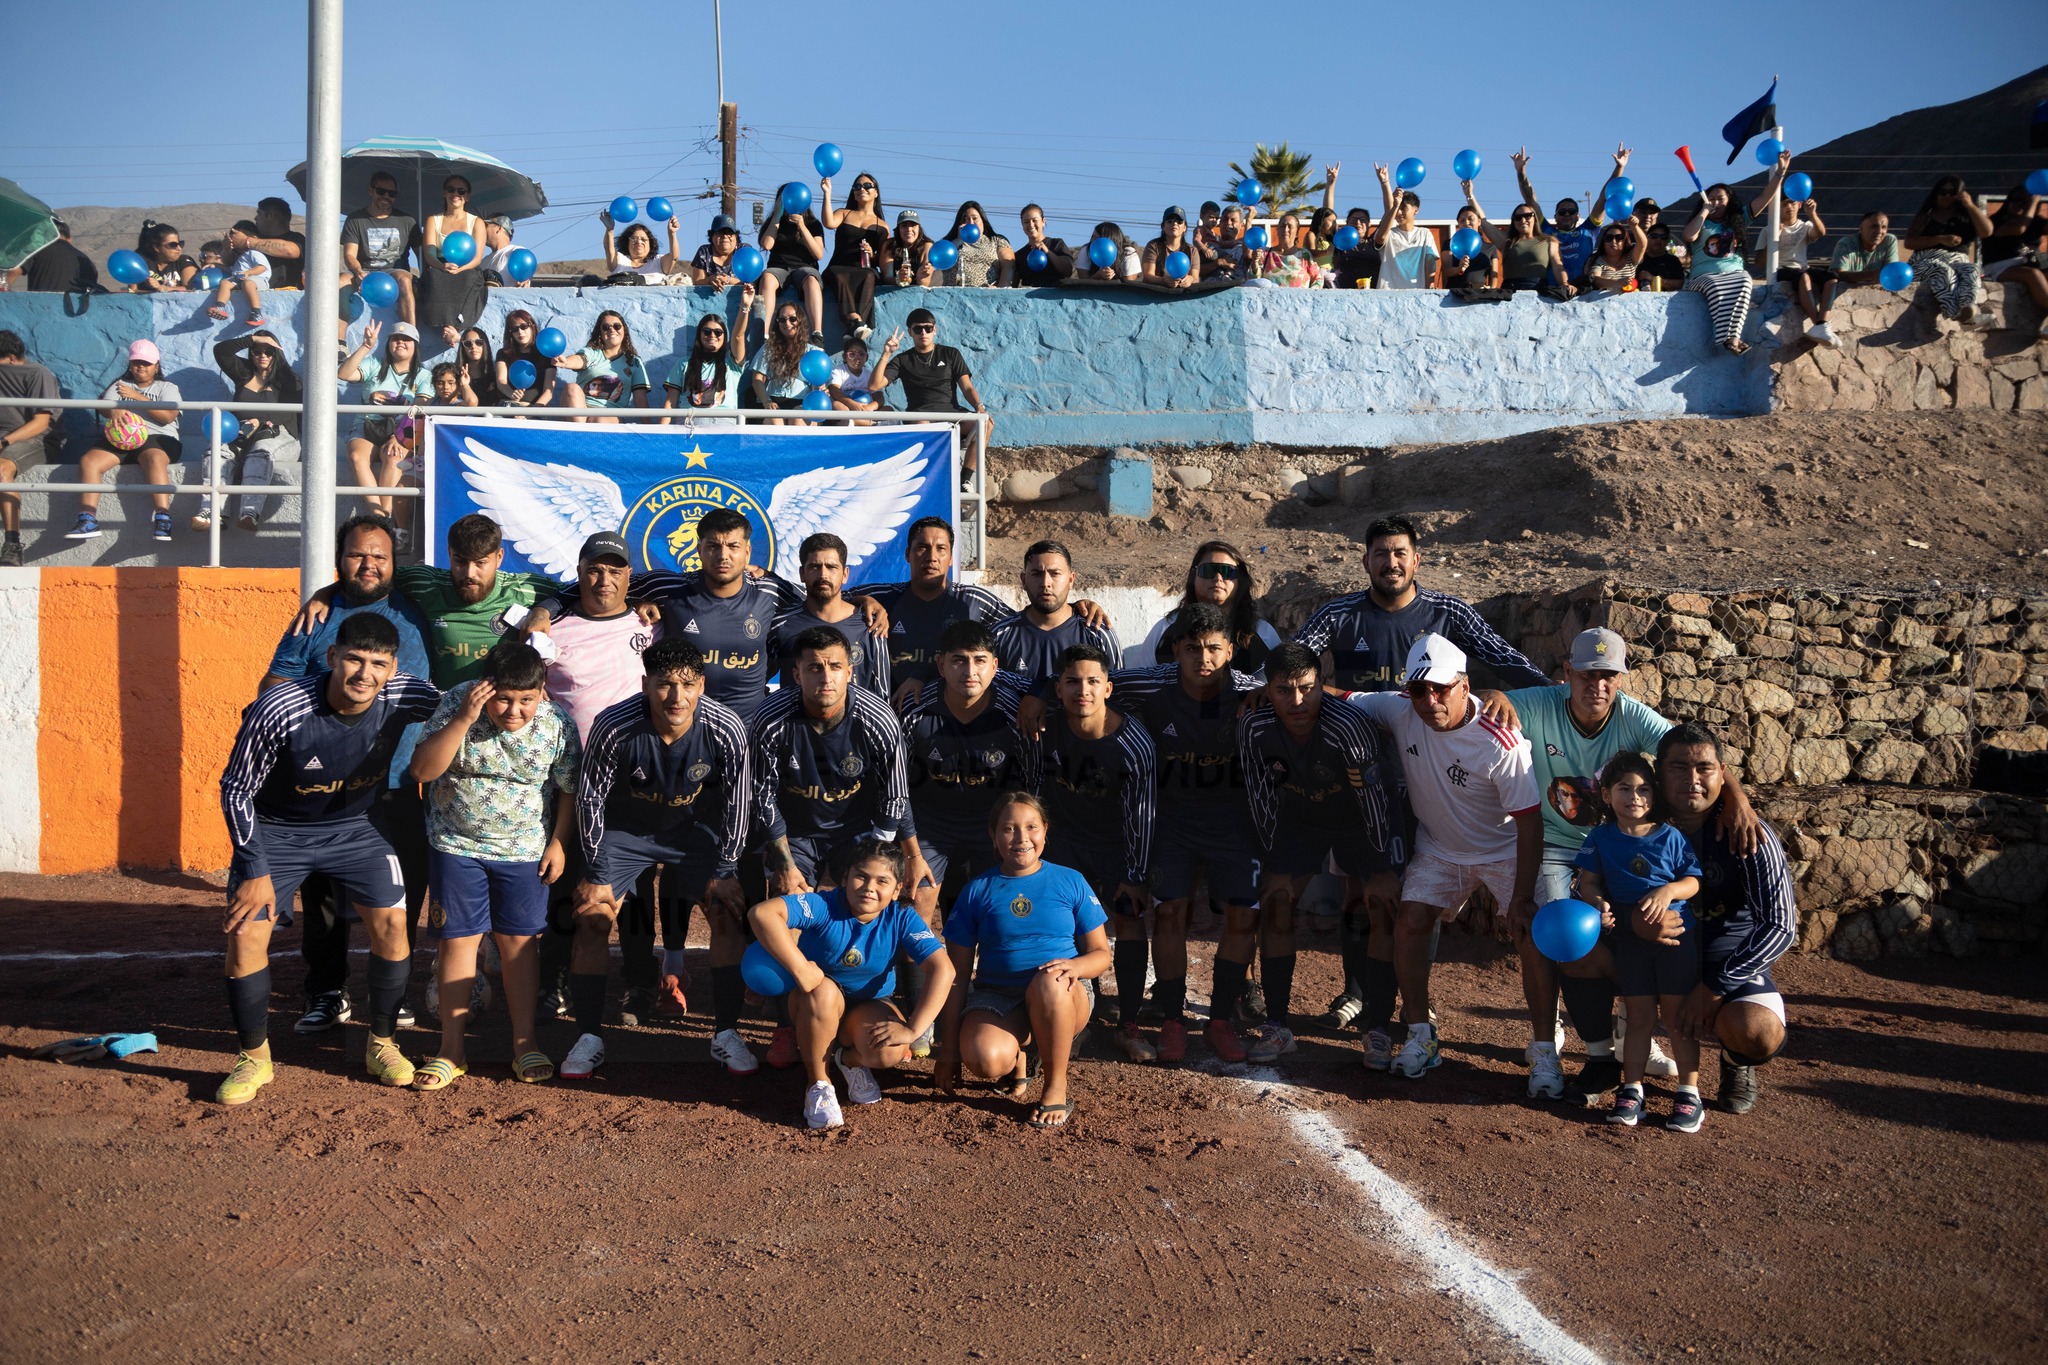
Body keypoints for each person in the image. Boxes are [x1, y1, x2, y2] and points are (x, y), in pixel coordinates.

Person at [1504, 627, 1758, 1105]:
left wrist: (1738, 800)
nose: (1596, 685)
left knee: (1643, 929)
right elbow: (1488, 703)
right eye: (1586, 674)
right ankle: (1561, 1047)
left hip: (1622, 845)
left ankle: (1629, 1033)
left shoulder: (1635, 717)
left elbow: (1696, 756)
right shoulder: (1539, 702)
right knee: (1560, 931)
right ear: (1567, 674)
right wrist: (1495, 695)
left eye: (1608, 676)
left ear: (1621, 678)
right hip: (1559, 845)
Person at [213, 611, 442, 1104]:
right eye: (355, 660)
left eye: (378, 664)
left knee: (393, 926)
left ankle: (382, 1044)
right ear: (333, 657)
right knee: (247, 934)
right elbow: (235, 790)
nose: (365, 674)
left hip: (356, 828)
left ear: (392, 667)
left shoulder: (405, 692)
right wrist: (253, 869)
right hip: (277, 832)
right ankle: (254, 1058)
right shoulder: (279, 708)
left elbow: (460, 706)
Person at [261, 515, 433, 1038]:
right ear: (340, 560)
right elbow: (272, 686)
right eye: (358, 555)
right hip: (329, 789)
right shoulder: (314, 619)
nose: (369, 565)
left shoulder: (417, 604)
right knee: (325, 898)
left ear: (393, 562)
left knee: (404, 895)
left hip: (400, 781)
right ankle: (327, 992)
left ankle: (392, 993)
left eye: (379, 556)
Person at [1340, 634, 1541, 1081]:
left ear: (1464, 686)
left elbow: (1529, 822)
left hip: (1503, 850)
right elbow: (1343, 696)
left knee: (1533, 934)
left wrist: (1523, 895)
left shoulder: (1501, 741)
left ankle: (1545, 1046)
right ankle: (1420, 1035)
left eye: (1440, 688)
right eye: (1418, 689)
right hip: (1439, 848)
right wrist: (1266, 687)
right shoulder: (1399, 708)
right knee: (1409, 920)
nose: (1428, 699)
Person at [570, 638, 751, 1080]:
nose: (677, 696)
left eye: (688, 685)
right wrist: (595, 873)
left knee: (726, 911)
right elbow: (589, 800)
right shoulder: (614, 725)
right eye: (665, 684)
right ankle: (588, 1037)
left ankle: (726, 1033)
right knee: (591, 916)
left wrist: (726, 871)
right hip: (627, 830)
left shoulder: (725, 728)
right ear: (646, 683)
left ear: (702, 685)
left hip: (693, 831)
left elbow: (738, 803)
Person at [747, 626, 925, 1069]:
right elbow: (763, 798)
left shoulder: (878, 719)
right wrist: (784, 864)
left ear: (851, 671)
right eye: (813, 668)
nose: (824, 677)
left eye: (834, 667)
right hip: (797, 832)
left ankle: (893, 1008)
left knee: (869, 907)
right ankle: (788, 1023)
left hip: (858, 833)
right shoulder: (770, 720)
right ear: (796, 674)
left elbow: (895, 797)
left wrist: (873, 863)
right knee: (788, 914)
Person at [406, 642, 580, 1090]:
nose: (515, 711)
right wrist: (464, 717)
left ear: (542, 691)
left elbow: (567, 788)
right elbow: (423, 771)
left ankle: (524, 1043)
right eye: (504, 698)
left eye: (527, 699)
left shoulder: (557, 722)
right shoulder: (458, 702)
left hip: (524, 850)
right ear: (486, 689)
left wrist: (559, 842)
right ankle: (451, 1050)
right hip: (455, 845)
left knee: (518, 946)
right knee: (458, 945)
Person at [1096, 603, 1261, 1063]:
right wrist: (1035, 695)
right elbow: (1090, 687)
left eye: (1213, 648)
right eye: (1192, 649)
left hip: (1233, 823)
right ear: (1175, 651)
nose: (1203, 658)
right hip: (1172, 823)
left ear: (1231, 649)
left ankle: (1221, 1020)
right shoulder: (1147, 685)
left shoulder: (1254, 693)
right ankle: (1172, 1020)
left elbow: (1304, 698)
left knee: (1244, 916)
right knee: (1169, 915)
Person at [525, 532, 665, 1021]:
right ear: (579, 572)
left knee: (637, 885)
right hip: (568, 781)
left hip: (635, 780)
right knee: (564, 882)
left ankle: (639, 984)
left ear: (630, 576)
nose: (603, 580)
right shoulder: (553, 627)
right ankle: (555, 981)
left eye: (614, 570)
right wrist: (543, 611)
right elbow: (518, 672)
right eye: (594, 569)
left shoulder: (652, 626)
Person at [1236, 642, 1397, 1064]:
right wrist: (1275, 864)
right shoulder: (1254, 726)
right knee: (1276, 902)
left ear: (1321, 684)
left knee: (1378, 905)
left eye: (1307, 688)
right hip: (1302, 819)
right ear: (1266, 690)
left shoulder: (1348, 725)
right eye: (1284, 690)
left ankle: (1378, 1028)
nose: (1297, 700)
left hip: (1361, 821)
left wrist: (1380, 867)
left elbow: (1375, 800)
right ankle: (1277, 1025)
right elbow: (1261, 799)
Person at [748, 840, 955, 1128]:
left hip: (867, 1007)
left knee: (889, 1051)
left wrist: (913, 1029)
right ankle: (818, 1084)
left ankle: (848, 1060)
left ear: (896, 891)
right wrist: (800, 968)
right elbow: (762, 913)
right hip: (816, 1005)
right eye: (861, 876)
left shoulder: (902, 917)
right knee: (821, 991)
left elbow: (943, 969)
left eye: (882, 881)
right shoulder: (824, 904)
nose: (869, 887)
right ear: (844, 878)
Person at [935, 792, 1112, 1129]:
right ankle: (1021, 1054)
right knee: (985, 1060)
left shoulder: (1070, 880)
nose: (1021, 838)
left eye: (1031, 827)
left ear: (1045, 830)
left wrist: (1075, 966)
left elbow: (1101, 955)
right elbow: (956, 975)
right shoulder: (976, 890)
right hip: (998, 997)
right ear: (993, 835)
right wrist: (948, 1051)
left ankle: (1055, 1084)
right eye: (1008, 829)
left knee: (1050, 979)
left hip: (1063, 995)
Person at [1022, 646, 1156, 1061]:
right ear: (1058, 689)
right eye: (1073, 682)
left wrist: (1134, 875)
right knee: (1067, 926)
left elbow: (1142, 818)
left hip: (1118, 846)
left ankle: (1129, 1022)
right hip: (1065, 844)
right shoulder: (1043, 729)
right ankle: (1083, 1013)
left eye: (1093, 681)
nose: (1084, 690)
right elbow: (1032, 792)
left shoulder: (1133, 744)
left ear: (1108, 688)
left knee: (1128, 919)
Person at [1658, 722, 1796, 1116]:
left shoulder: (1747, 834)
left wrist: (1713, 987)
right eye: (1678, 768)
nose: (1692, 780)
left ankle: (1736, 1060)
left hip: (1724, 964)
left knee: (1756, 1033)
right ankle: (1607, 1055)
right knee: (1583, 951)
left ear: (1722, 772)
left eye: (1704, 768)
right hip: (1655, 953)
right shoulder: (1638, 822)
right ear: (1658, 773)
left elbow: (1781, 927)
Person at [1571, 752, 1705, 1131]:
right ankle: (1632, 1090)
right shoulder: (1600, 837)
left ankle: (1688, 1094)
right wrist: (1597, 905)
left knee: (1678, 1020)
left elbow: (1693, 880)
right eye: (1624, 789)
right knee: (1639, 1018)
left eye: (1644, 789)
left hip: (1676, 940)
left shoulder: (1671, 835)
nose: (1635, 797)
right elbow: (1589, 882)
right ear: (1607, 795)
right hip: (1631, 941)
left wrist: (1666, 892)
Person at [1295, 516, 1551, 693]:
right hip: (1360, 744)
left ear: (1416, 561)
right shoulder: (1338, 614)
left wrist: (1551, 689)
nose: (1391, 563)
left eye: (1400, 554)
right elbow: (1292, 656)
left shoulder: (1449, 612)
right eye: (1381, 554)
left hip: (1430, 746)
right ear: (1366, 562)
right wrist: (1258, 685)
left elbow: (1503, 657)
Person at [898, 620, 1032, 931]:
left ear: (995, 666)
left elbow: (1032, 783)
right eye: (959, 660)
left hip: (992, 823)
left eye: (980, 660)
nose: (970, 671)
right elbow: (896, 787)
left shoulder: (1015, 713)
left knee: (1002, 910)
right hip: (930, 824)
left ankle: (991, 980)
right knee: (916, 903)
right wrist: (911, 851)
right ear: (941, 666)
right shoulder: (915, 711)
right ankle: (915, 981)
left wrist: (1018, 836)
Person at [850, 515, 1015, 705]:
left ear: (952, 558)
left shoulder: (974, 602)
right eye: (922, 548)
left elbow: (1023, 627)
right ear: (907, 554)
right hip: (893, 714)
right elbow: (829, 598)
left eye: (941, 549)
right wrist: (864, 600)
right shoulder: (884, 598)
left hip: (954, 721)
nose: (932, 557)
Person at [64, 340, 182, 545]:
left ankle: (163, 517)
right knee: (89, 461)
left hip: (157, 438)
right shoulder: (120, 386)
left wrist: (138, 398)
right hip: (119, 439)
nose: (141, 367)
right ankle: (88, 519)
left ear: (156, 365)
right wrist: (114, 409)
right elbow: (104, 408)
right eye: (136, 362)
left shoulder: (167, 387)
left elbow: (168, 416)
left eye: (146, 363)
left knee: (154, 458)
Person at [197, 329, 304, 533]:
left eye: (269, 351)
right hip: (242, 434)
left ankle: (249, 513)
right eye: (257, 351)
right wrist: (251, 339)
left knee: (260, 452)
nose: (263, 356)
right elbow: (221, 351)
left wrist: (260, 421)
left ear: (277, 353)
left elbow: (291, 414)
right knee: (215, 451)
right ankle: (211, 512)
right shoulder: (243, 372)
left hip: (280, 435)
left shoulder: (289, 379)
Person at [1680, 152, 1788, 354]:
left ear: (1729, 201)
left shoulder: (1739, 219)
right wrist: (1704, 212)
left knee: (1745, 282)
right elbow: (1688, 236)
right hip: (1703, 277)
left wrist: (1780, 173)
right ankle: (1728, 338)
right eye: (1711, 199)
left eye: (1720, 198)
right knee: (1716, 289)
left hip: (1734, 273)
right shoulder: (1701, 221)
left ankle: (1731, 338)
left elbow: (1765, 197)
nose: (1715, 202)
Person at [1126, 540, 1282, 673]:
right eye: (1209, 570)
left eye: (1228, 572)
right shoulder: (1166, 629)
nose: (1218, 578)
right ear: (1193, 577)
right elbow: (1140, 682)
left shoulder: (1262, 633)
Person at [770, 533, 891, 696]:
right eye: (814, 567)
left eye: (831, 567)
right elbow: (755, 682)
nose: (823, 575)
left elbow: (881, 694)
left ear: (845, 574)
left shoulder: (871, 625)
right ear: (802, 573)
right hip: (795, 721)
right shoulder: (781, 623)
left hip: (855, 721)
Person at [880, 309, 989, 485]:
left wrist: (978, 405)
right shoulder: (903, 359)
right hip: (920, 415)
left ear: (935, 329)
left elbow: (967, 386)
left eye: (927, 328)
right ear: (910, 332)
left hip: (950, 413)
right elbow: (874, 385)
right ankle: (933, 480)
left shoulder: (950, 354)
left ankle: (964, 480)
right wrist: (887, 353)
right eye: (917, 329)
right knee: (924, 425)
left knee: (986, 423)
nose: (923, 332)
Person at [991, 539, 1122, 682]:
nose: (1045, 583)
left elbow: (1118, 693)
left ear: (1071, 580)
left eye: (1055, 574)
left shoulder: (1098, 633)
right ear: (1023, 580)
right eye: (1036, 574)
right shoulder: (1000, 635)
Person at [339, 319, 432, 516]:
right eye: (395, 339)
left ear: (415, 345)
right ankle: (378, 514)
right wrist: (366, 346)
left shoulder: (423, 375)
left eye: (406, 339)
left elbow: (422, 407)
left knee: (393, 457)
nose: (400, 342)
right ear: (388, 344)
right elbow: (344, 374)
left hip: (401, 431)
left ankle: (387, 513)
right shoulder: (374, 364)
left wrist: (399, 436)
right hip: (366, 426)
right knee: (357, 457)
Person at [1513, 143, 1631, 283]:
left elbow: (1604, 197)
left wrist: (1619, 167)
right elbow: (1530, 200)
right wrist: (1521, 171)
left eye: (1571, 211)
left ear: (1578, 216)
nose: (1567, 215)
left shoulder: (1589, 229)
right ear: (1555, 216)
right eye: (1562, 212)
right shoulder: (1546, 230)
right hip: (1552, 293)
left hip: (1583, 292)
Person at [0, 329, 61, 565]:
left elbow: (41, 423)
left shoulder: (37, 373)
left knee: (2, 469)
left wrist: (4, 442)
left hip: (37, 440)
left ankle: (12, 544)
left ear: (12, 359)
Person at [1902, 175, 1995, 324]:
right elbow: (1909, 242)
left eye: (1952, 193)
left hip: (1957, 261)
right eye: (1943, 192)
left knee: (1971, 269)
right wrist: (1940, 239)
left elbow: (1987, 231)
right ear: (1936, 194)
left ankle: (1968, 309)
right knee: (1942, 270)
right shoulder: (1927, 216)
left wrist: (1970, 205)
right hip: (1927, 262)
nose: (1947, 196)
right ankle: (1956, 313)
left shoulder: (1966, 217)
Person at [341, 172, 419, 325]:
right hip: (364, 271)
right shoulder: (355, 219)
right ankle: (340, 343)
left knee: (404, 280)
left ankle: (410, 338)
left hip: (395, 272)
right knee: (339, 282)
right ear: (371, 191)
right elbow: (350, 255)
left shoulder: (408, 221)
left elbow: (422, 253)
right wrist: (358, 272)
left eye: (392, 193)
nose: (386, 196)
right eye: (381, 191)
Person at [821, 173, 889, 340]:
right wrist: (827, 193)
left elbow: (883, 259)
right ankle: (854, 320)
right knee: (839, 273)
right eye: (857, 187)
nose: (861, 189)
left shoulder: (883, 226)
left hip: (864, 269)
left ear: (876, 192)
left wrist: (871, 254)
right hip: (838, 267)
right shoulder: (844, 213)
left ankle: (855, 326)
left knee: (869, 275)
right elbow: (828, 222)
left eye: (867, 186)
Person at [1468, 189, 1572, 297]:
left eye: (1527, 216)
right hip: (1510, 293)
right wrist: (1470, 195)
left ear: (1534, 218)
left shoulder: (1549, 241)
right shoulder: (1506, 241)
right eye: (1518, 218)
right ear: (1513, 221)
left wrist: (1564, 284)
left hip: (1539, 293)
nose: (1523, 220)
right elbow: (1483, 222)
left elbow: (1558, 266)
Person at [661, 303, 752, 422]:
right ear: (700, 334)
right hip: (689, 427)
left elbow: (738, 336)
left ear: (724, 336)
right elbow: (670, 402)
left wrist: (744, 307)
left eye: (718, 332)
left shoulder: (732, 363)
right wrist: (660, 436)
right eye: (707, 331)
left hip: (723, 429)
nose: (712, 335)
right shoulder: (683, 364)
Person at [760, 187, 828, 342]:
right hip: (779, 266)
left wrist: (802, 226)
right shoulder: (774, 222)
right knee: (768, 278)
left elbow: (818, 254)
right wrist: (777, 216)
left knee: (811, 280)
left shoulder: (813, 223)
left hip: (804, 267)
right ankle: (764, 332)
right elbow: (766, 244)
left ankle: (817, 333)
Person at [554, 311, 651, 420]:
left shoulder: (634, 362)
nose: (612, 330)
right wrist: (566, 362)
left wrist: (649, 431)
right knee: (571, 388)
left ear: (624, 330)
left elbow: (640, 398)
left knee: (599, 419)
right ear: (600, 332)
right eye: (606, 327)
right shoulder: (592, 353)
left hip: (610, 415)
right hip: (582, 413)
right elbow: (580, 360)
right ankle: (580, 434)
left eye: (617, 326)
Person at [1981, 188, 2048, 338]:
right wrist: (2034, 202)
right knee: (2033, 275)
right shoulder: (1996, 222)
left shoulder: (2036, 222)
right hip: (1999, 266)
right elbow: (2019, 229)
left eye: (2024, 202)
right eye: (2015, 199)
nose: (2019, 204)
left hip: (2028, 262)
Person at [1774, 192, 1838, 347]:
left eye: (1792, 202)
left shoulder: (1804, 226)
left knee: (1831, 278)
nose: (1789, 207)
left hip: (1803, 267)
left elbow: (1821, 232)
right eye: (1783, 204)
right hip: (1783, 269)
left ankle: (1822, 324)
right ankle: (1819, 325)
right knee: (1804, 277)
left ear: (1799, 205)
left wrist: (1812, 214)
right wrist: (1775, 236)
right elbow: (1760, 261)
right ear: (1777, 207)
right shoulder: (1771, 229)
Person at [1370, 167, 1438, 289]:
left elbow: (1430, 259)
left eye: (1404, 208)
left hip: (1416, 292)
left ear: (1416, 210)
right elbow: (1380, 238)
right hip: (1387, 294)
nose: (1399, 212)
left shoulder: (1424, 233)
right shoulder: (1389, 233)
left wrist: (1430, 284)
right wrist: (1395, 205)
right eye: (1398, 209)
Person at [748, 301, 814, 420]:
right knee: (775, 419)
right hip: (772, 402)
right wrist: (766, 401)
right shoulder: (769, 348)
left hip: (802, 402)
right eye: (782, 320)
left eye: (792, 319)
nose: (787, 323)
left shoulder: (812, 351)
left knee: (797, 418)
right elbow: (757, 379)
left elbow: (818, 382)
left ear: (800, 321)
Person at [201, 221, 270, 324]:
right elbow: (232, 270)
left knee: (248, 283)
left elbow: (262, 267)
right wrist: (217, 265)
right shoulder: (240, 257)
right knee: (225, 283)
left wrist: (249, 273)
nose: (231, 239)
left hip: (258, 280)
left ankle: (256, 313)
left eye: (234, 235)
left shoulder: (254, 253)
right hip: (240, 279)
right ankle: (220, 306)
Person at [5, 218, 97, 294]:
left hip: (39, 309)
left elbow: (14, 270)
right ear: (69, 239)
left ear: (45, 235)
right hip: (76, 311)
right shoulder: (85, 260)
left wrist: (3, 288)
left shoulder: (37, 250)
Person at [493, 310, 560, 411]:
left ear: (532, 326)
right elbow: (501, 381)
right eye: (514, 329)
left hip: (533, 410)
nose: (520, 332)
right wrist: (511, 393)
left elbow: (548, 391)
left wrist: (531, 413)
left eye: (524, 326)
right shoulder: (503, 354)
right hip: (507, 407)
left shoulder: (546, 354)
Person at [944, 201, 1013, 288]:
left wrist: (1000, 289)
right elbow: (942, 259)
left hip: (987, 296)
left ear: (982, 220)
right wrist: (959, 240)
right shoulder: (949, 243)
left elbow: (1008, 266)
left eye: (975, 218)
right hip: (955, 296)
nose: (971, 223)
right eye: (965, 219)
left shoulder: (997, 240)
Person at [246, 197, 306, 291]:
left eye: (259, 213)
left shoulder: (297, 239)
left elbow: (290, 251)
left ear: (270, 216)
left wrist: (248, 241)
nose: (255, 218)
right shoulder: (256, 240)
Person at [1440, 201, 1500, 291]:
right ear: (1458, 224)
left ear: (1479, 221)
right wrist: (1459, 269)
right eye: (1462, 220)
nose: (1466, 223)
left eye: (1470, 219)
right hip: (1456, 293)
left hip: (1480, 293)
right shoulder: (1450, 244)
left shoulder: (1490, 248)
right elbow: (1446, 271)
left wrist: (1491, 289)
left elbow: (1494, 276)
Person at [600, 211, 672, 285]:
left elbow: (674, 257)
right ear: (627, 243)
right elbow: (609, 251)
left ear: (650, 244)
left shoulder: (658, 261)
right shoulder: (620, 260)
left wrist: (672, 233)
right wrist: (609, 230)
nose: (639, 242)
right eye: (634, 238)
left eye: (643, 239)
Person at [1012, 204, 1076, 287]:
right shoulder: (1019, 255)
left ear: (1043, 222)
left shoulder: (1056, 244)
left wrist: (1047, 252)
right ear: (1022, 225)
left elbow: (1067, 270)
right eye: (1026, 222)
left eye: (1034, 220)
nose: (1031, 225)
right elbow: (1012, 285)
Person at [827, 335, 889, 418]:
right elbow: (834, 390)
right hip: (848, 408)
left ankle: (866, 422)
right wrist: (851, 403)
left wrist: (870, 407)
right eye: (852, 354)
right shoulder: (838, 371)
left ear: (866, 357)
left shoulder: (869, 375)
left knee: (889, 409)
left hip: (866, 410)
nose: (857, 358)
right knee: (836, 405)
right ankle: (869, 423)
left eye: (861, 354)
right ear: (844, 357)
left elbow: (879, 397)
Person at [1582, 219, 1649, 294]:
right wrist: (1618, 282)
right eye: (1609, 237)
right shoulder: (1596, 259)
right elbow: (1596, 280)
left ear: (1625, 241)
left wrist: (1635, 226)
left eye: (1619, 237)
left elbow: (1642, 245)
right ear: (1603, 241)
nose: (1613, 241)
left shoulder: (1631, 257)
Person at [1141, 207, 1200, 290]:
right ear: (1163, 226)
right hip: (1155, 295)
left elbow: (1195, 278)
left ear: (1185, 228)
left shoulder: (1192, 250)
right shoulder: (1153, 246)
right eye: (1170, 221)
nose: (1174, 224)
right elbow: (1148, 275)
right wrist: (1163, 281)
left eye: (1179, 222)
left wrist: (1190, 279)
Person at [134, 221, 198, 293]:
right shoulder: (142, 263)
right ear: (156, 247)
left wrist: (163, 288)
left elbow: (190, 288)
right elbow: (133, 291)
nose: (179, 249)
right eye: (173, 245)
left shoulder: (184, 261)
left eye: (180, 244)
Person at [690, 215, 746, 288]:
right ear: (712, 236)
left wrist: (728, 280)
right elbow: (697, 282)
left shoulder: (744, 251)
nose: (725, 236)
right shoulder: (704, 252)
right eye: (720, 232)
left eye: (730, 233)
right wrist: (710, 280)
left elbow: (750, 281)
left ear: (736, 237)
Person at [1331, 206, 1381, 289]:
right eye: (1353, 220)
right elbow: (1329, 216)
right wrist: (1329, 191)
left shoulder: (1375, 242)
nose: (1358, 223)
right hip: (1345, 294)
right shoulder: (1340, 241)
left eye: (1362, 220)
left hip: (1374, 294)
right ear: (1347, 223)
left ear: (1369, 224)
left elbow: (1388, 214)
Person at [451, 327, 501, 407]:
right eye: (468, 343)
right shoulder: (455, 376)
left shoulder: (495, 377)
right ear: (463, 347)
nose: (473, 347)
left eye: (478, 342)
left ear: (485, 345)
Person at [1635, 224, 1688, 293]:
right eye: (1654, 236)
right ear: (1647, 238)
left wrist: (1654, 279)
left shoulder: (1672, 260)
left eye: (1663, 237)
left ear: (1667, 241)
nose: (1658, 240)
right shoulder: (1638, 258)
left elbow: (1679, 284)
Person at [479, 215, 517, 282]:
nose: (481, 230)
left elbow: (525, 277)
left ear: (499, 228)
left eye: (485, 226)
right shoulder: (482, 262)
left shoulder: (516, 252)